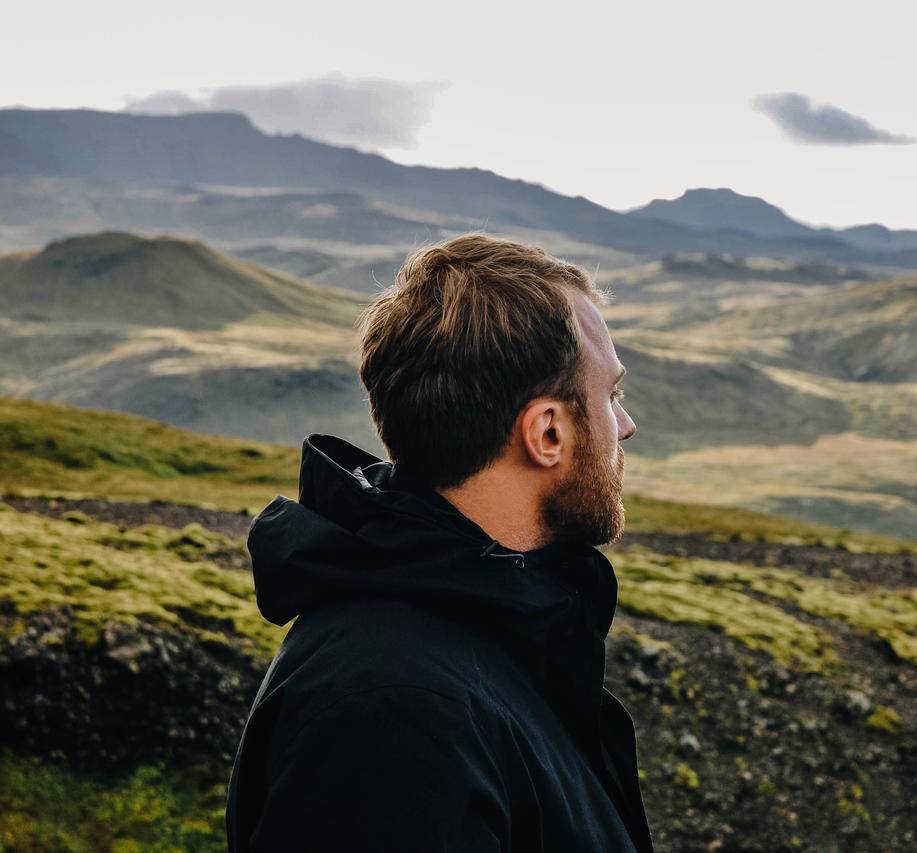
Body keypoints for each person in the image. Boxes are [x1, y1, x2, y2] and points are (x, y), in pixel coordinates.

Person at [224, 233, 652, 851]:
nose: (626, 425)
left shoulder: (494, 626)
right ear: (547, 432)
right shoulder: (392, 717)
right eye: (610, 396)